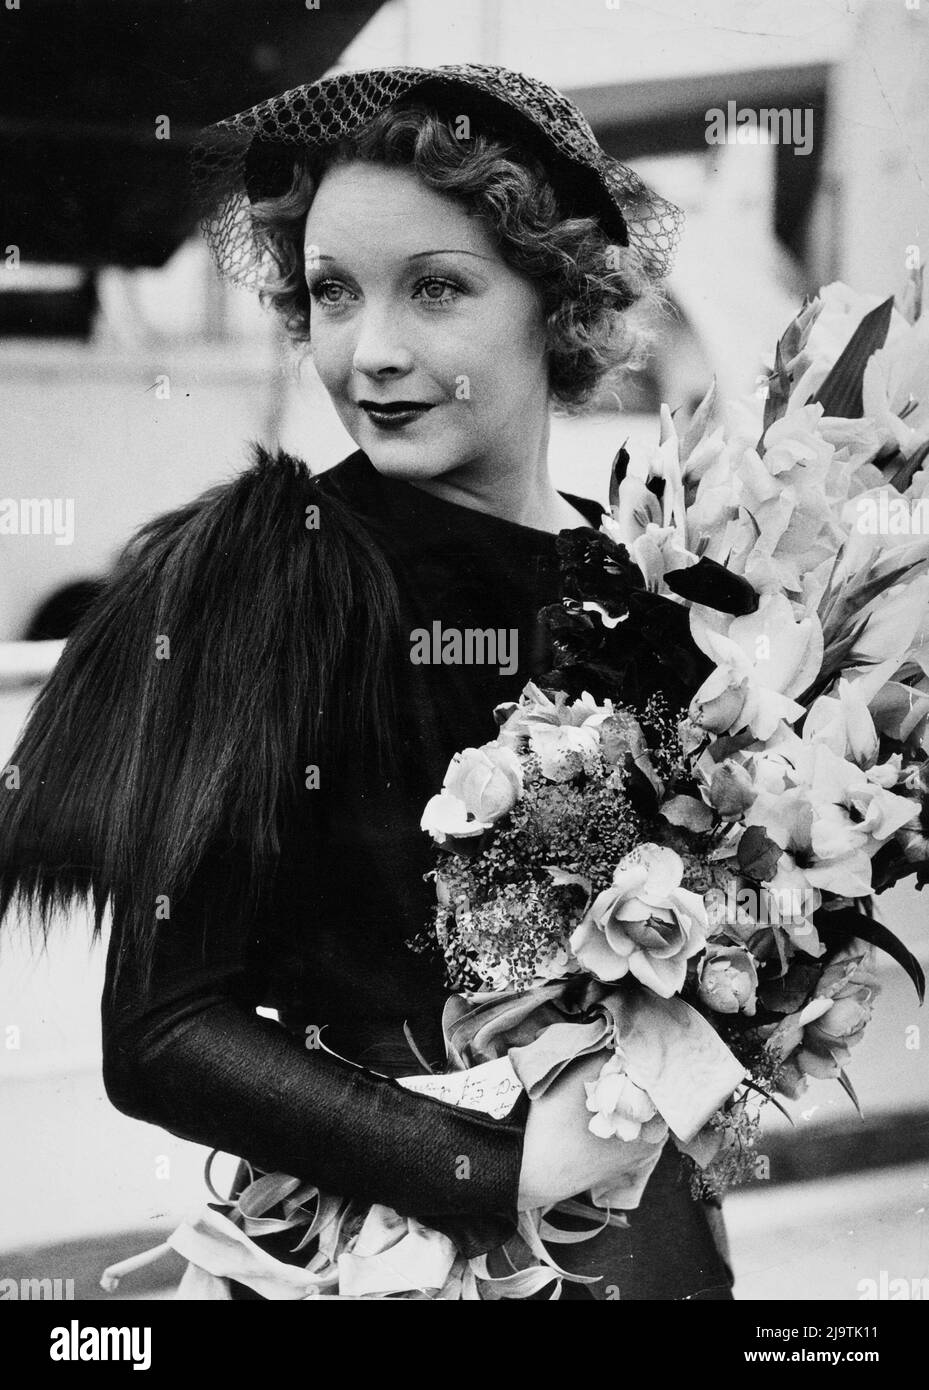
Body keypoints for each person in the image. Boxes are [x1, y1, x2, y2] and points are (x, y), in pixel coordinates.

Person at [0, 64, 732, 1299]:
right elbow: (160, 1033)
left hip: (643, 1238)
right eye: (332, 292)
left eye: (435, 288)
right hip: (376, 1258)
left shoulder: (647, 585)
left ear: (551, 301)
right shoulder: (259, 579)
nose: (371, 351)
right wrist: (485, 1172)